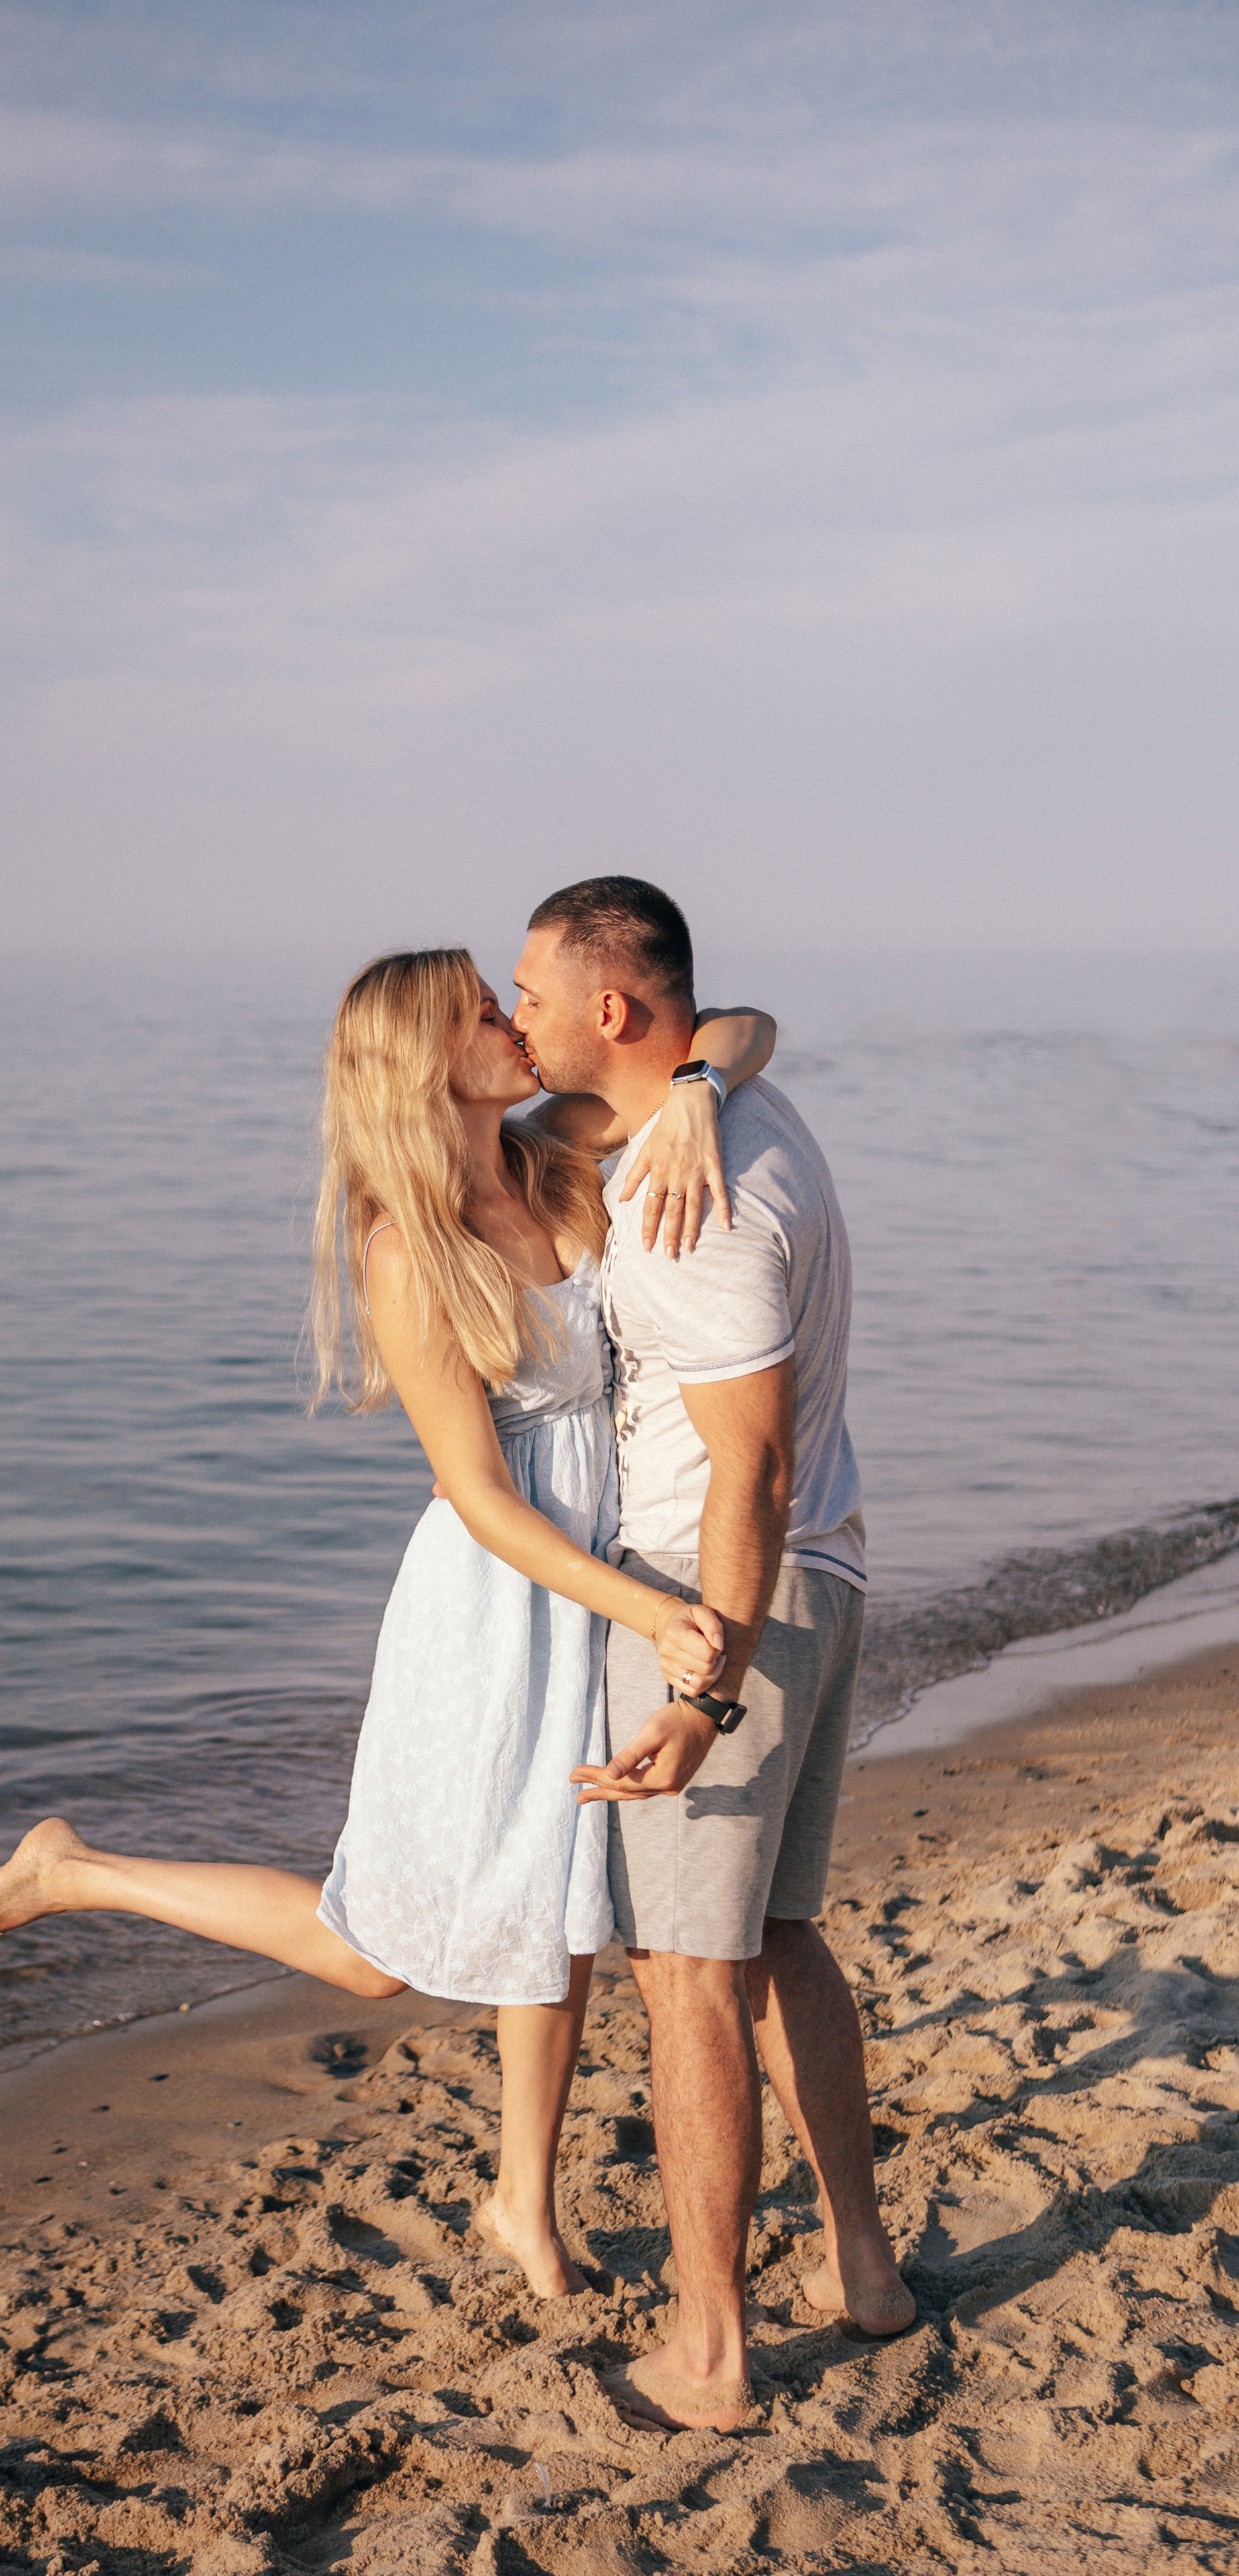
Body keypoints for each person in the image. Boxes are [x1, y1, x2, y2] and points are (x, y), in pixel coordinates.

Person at [0, 945, 775, 2300]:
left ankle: (522, 2204)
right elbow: (480, 1499)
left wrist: (690, 1096)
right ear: (423, 1064)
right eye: (483, 1015)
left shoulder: (558, 1149)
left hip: (593, 1578)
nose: (515, 1026)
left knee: (552, 1900)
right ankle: (77, 1871)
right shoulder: (405, 1250)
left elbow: (745, 1024)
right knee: (376, 1959)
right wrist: (652, 1609)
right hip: (497, 1606)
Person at [510, 875, 914, 2428]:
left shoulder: (687, 1207)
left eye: (532, 993)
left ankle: (709, 2352)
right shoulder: (726, 1108)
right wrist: (692, 1078)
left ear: (611, 1008)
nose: (518, 1016)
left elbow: (742, 1467)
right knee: (774, 1941)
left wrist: (698, 1689)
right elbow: (740, 1026)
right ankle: (863, 2269)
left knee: (685, 1975)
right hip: (820, 1573)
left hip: (715, 1588)